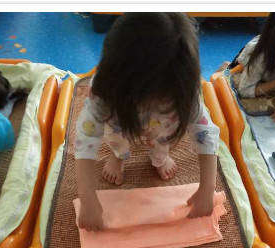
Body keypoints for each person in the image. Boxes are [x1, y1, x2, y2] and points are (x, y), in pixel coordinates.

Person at [75, 13, 220, 230]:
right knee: (117, 138)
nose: (152, 106)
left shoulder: (185, 89)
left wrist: (207, 189)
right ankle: (119, 156)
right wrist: (88, 200)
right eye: (146, 98)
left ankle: (160, 158)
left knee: (162, 140)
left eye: (163, 100)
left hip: (163, 129)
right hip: (119, 123)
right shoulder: (104, 92)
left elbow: (205, 133)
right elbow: (86, 138)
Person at [232, 13, 275, 125]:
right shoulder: (260, 55)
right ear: (270, 35)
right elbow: (244, 90)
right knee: (233, 71)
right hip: (251, 57)